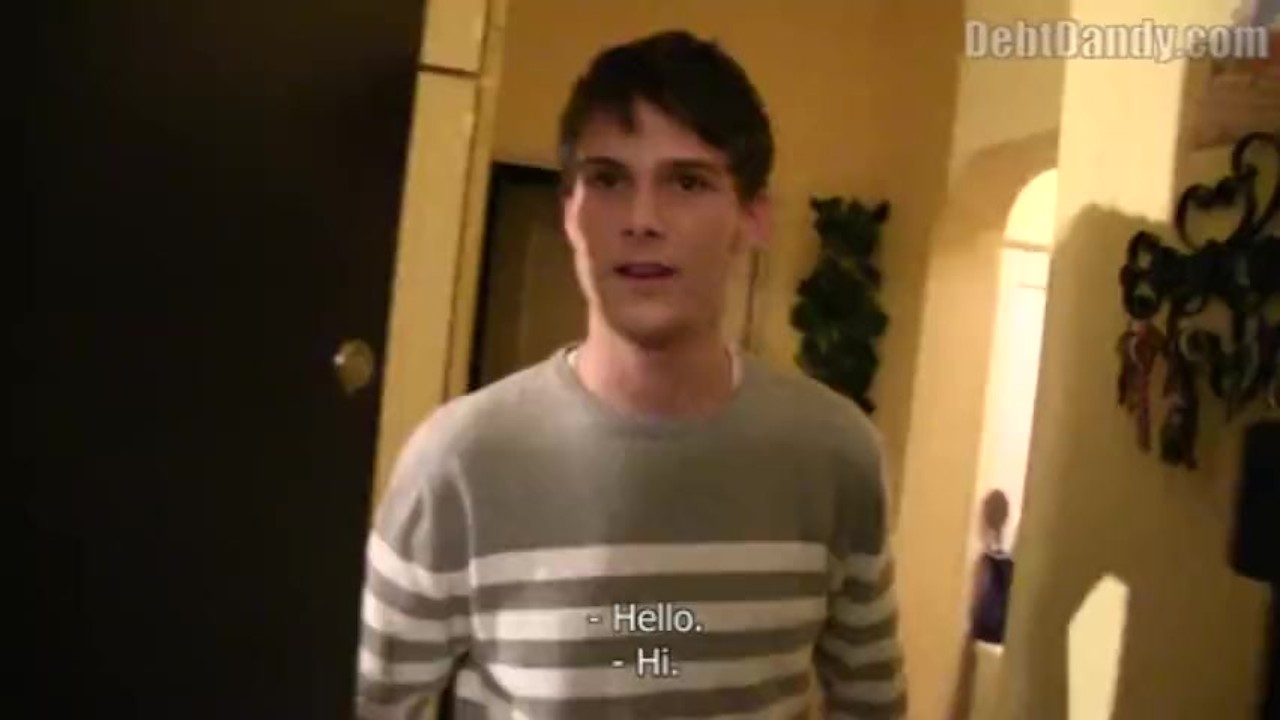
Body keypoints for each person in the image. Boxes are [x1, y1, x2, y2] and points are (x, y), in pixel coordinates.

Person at [355, 29, 907, 719]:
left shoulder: (836, 455)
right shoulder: (457, 463)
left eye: (688, 182)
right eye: (608, 180)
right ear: (569, 213)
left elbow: (872, 702)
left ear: (752, 218)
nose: (642, 220)